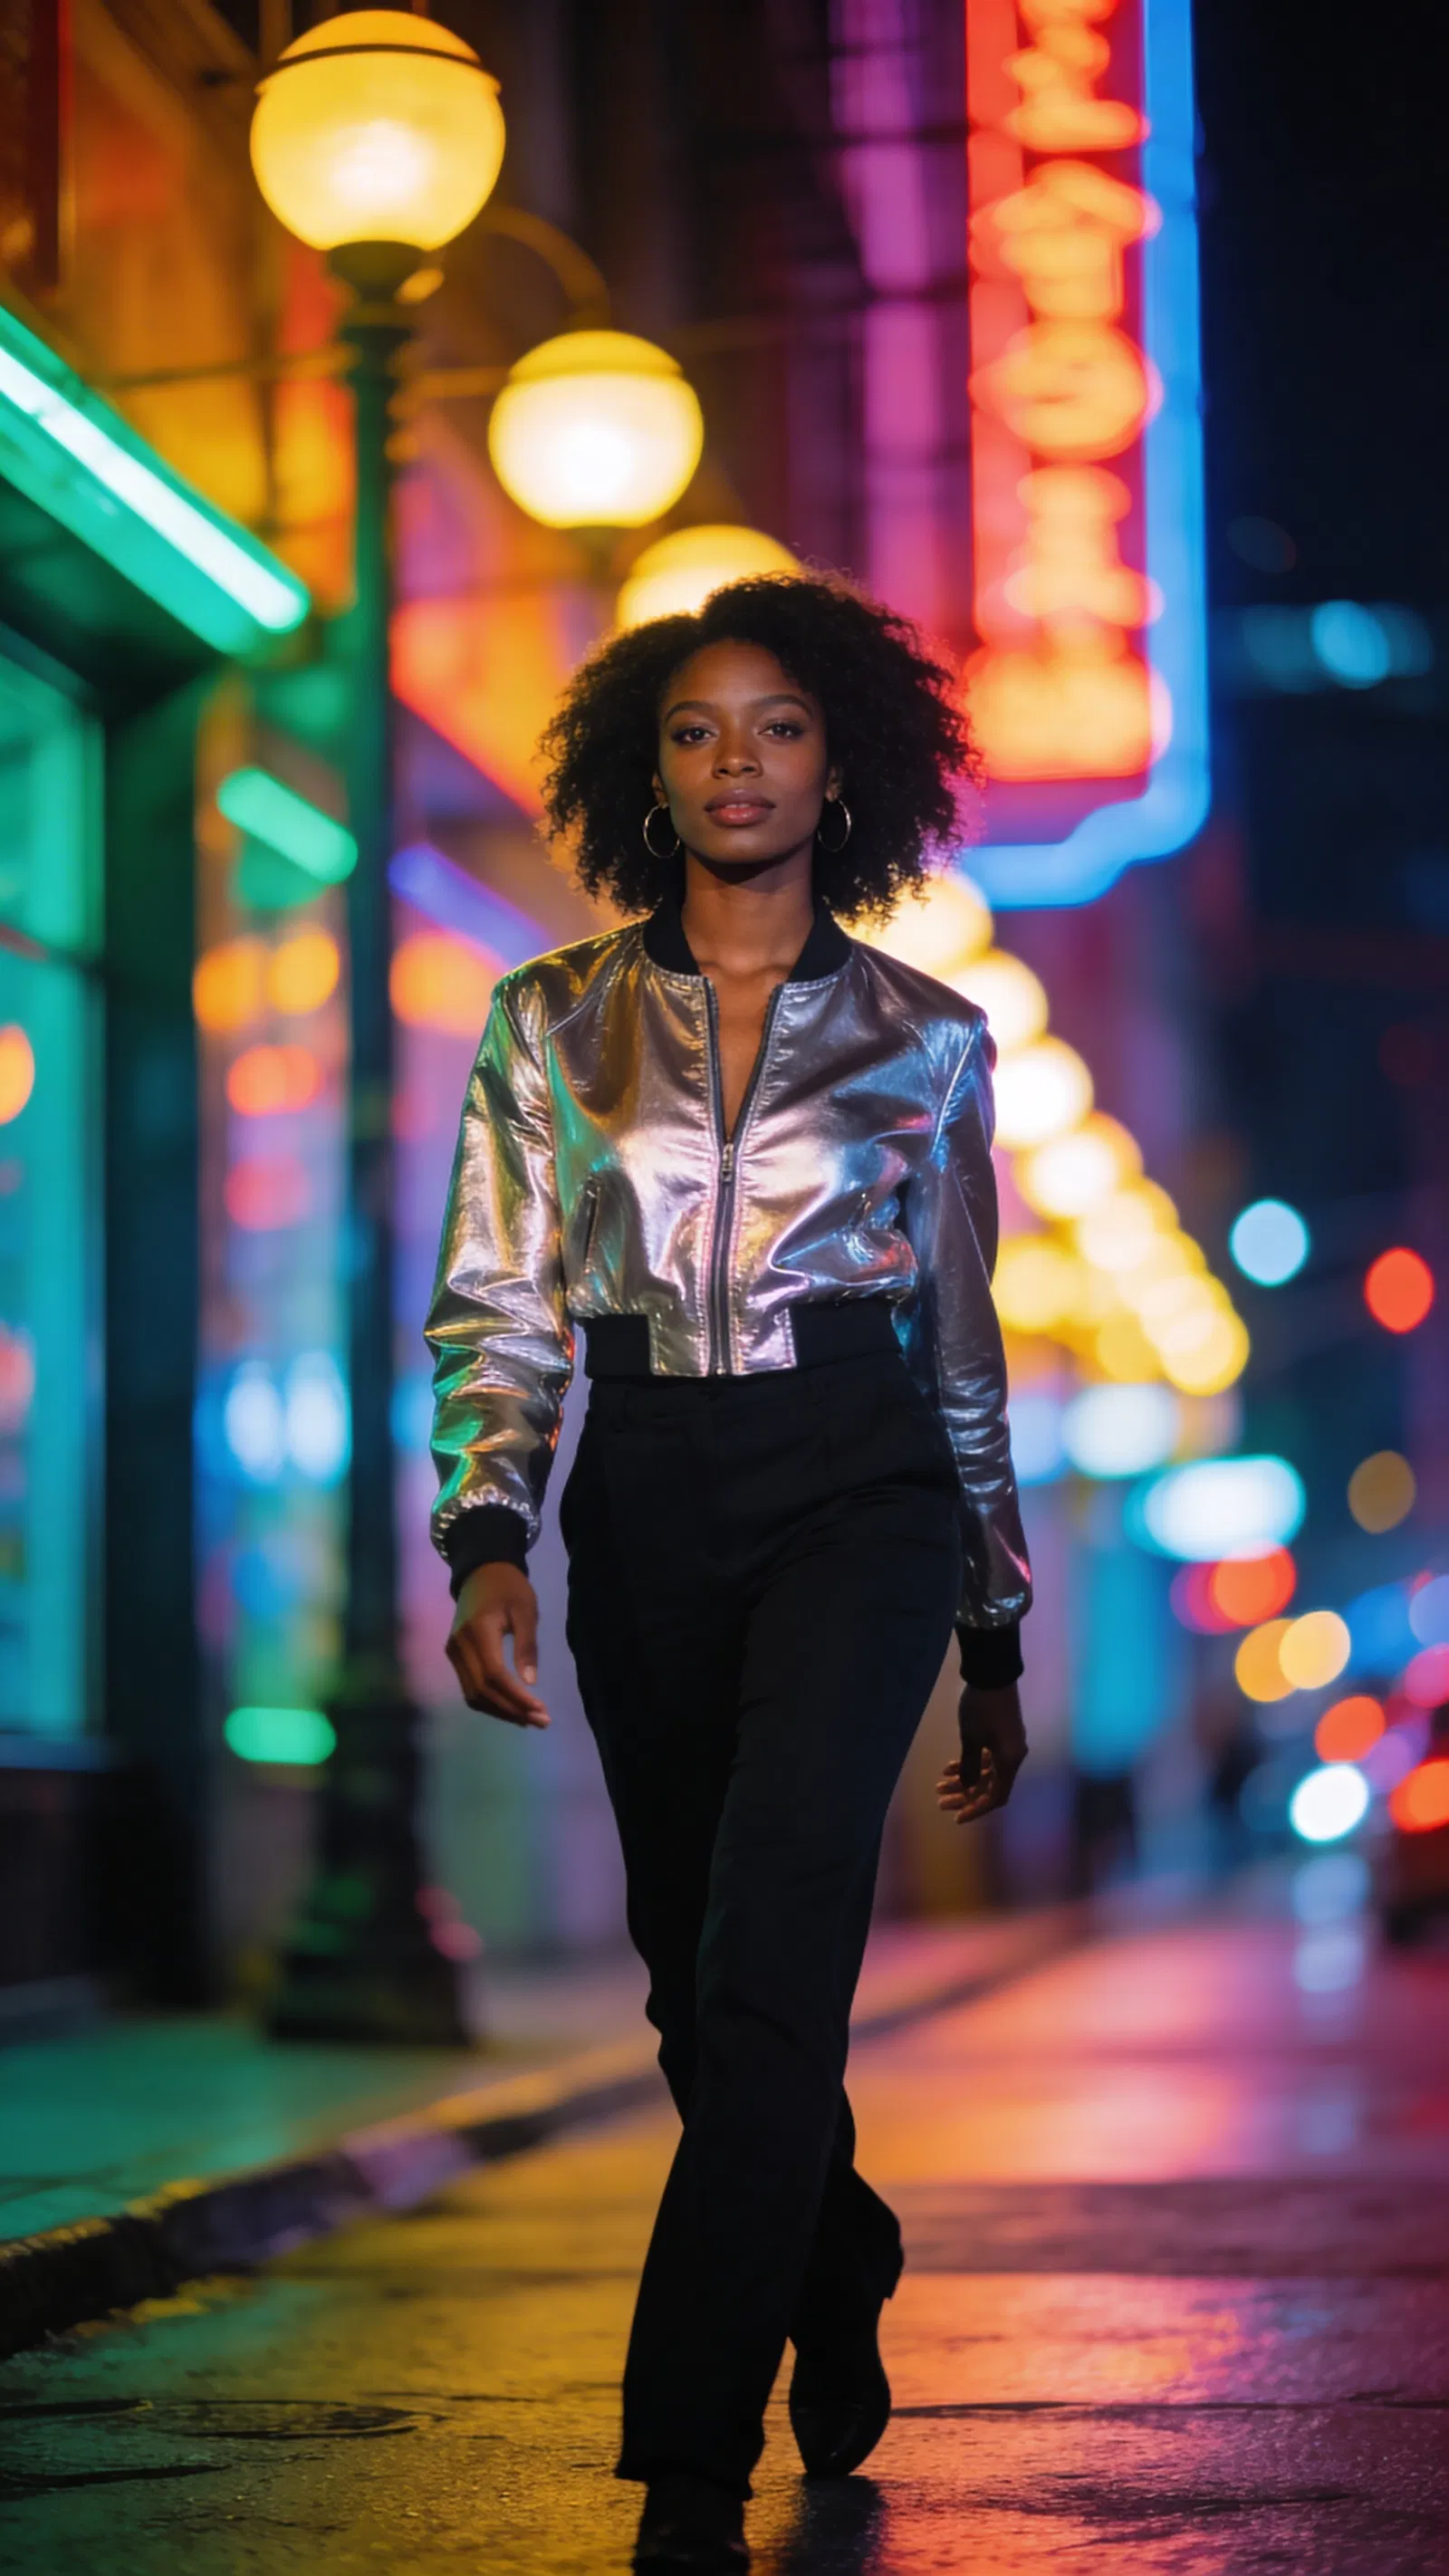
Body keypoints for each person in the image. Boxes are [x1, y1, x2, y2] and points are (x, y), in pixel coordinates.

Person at [427, 574, 1032, 2572]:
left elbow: (958, 1336)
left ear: (840, 762)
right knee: (697, 1989)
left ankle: (687, 2455)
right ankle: (832, 2241)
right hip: (650, 1480)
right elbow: (495, 1302)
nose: (736, 761)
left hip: (857, 1484)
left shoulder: (927, 1041)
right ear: (643, 768)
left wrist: (989, 1608)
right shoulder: (548, 1021)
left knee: (776, 1948)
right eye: (694, 727)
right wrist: (486, 1527)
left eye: (776, 725)